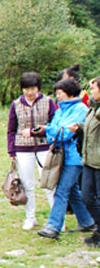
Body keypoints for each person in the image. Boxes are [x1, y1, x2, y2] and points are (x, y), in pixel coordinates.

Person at [37, 78, 96, 239]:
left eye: (60, 93)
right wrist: (51, 130)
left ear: (69, 93)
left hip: (74, 157)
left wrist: (49, 129)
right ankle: (87, 221)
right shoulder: (60, 110)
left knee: (61, 190)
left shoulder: (80, 109)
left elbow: (66, 133)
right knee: (71, 191)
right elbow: (54, 131)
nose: (57, 96)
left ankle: (53, 226)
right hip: (61, 155)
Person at [7, 72, 56, 230]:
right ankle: (30, 217)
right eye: (26, 89)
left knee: (49, 183)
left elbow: (54, 125)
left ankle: (56, 219)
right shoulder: (16, 104)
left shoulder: (48, 102)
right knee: (27, 184)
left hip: (45, 147)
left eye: (33, 88)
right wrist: (11, 151)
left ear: (38, 88)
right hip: (23, 148)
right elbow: (11, 129)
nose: (30, 92)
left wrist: (38, 133)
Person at [72, 77, 100, 247]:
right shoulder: (92, 108)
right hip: (89, 160)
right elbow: (91, 128)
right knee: (87, 197)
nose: (90, 91)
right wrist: (80, 127)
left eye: (93, 88)